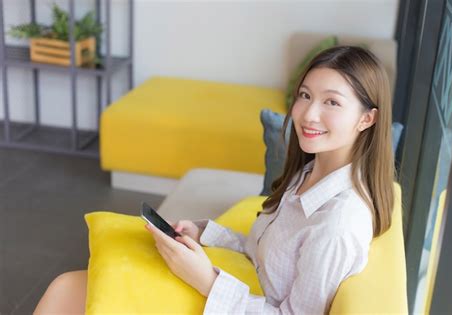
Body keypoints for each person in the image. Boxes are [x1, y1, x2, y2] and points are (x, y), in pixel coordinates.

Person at [34, 45, 395, 314]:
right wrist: (206, 233)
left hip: (225, 301)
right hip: (231, 290)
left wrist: (205, 280)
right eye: (305, 96)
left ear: (367, 119)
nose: (308, 114)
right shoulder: (312, 172)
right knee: (67, 287)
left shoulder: (338, 223)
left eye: (332, 102)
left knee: (68, 292)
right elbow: (266, 255)